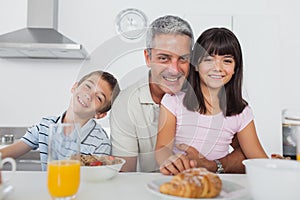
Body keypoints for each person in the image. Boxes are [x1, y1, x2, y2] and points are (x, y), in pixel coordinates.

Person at [110, 16, 248, 173]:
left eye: (183, 59)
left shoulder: (208, 89)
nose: (174, 70)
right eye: (164, 58)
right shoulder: (126, 104)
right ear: (148, 58)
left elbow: (246, 153)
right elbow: (125, 175)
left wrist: (213, 165)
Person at [155, 27, 268, 175]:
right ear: (195, 65)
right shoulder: (173, 101)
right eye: (208, 59)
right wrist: (173, 161)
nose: (217, 68)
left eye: (227, 61)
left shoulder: (241, 111)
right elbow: (162, 148)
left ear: (235, 68)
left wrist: (274, 166)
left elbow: (257, 158)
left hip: (217, 184)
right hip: (179, 179)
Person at [0, 70, 120, 171]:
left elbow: (97, 181)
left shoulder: (100, 144)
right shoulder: (45, 126)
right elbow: (8, 152)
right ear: (75, 87)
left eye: (99, 98)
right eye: (88, 86)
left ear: (100, 114)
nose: (89, 95)